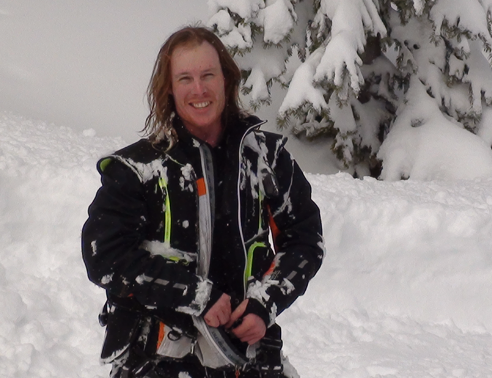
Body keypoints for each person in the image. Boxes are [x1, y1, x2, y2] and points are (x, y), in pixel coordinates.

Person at [81, 25, 324, 378]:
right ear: (169, 90)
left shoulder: (267, 159)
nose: (199, 89)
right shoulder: (138, 169)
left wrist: (264, 304)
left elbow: (305, 239)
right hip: (158, 359)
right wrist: (196, 296)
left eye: (208, 74)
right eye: (185, 78)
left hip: (249, 356)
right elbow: (103, 256)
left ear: (226, 79)